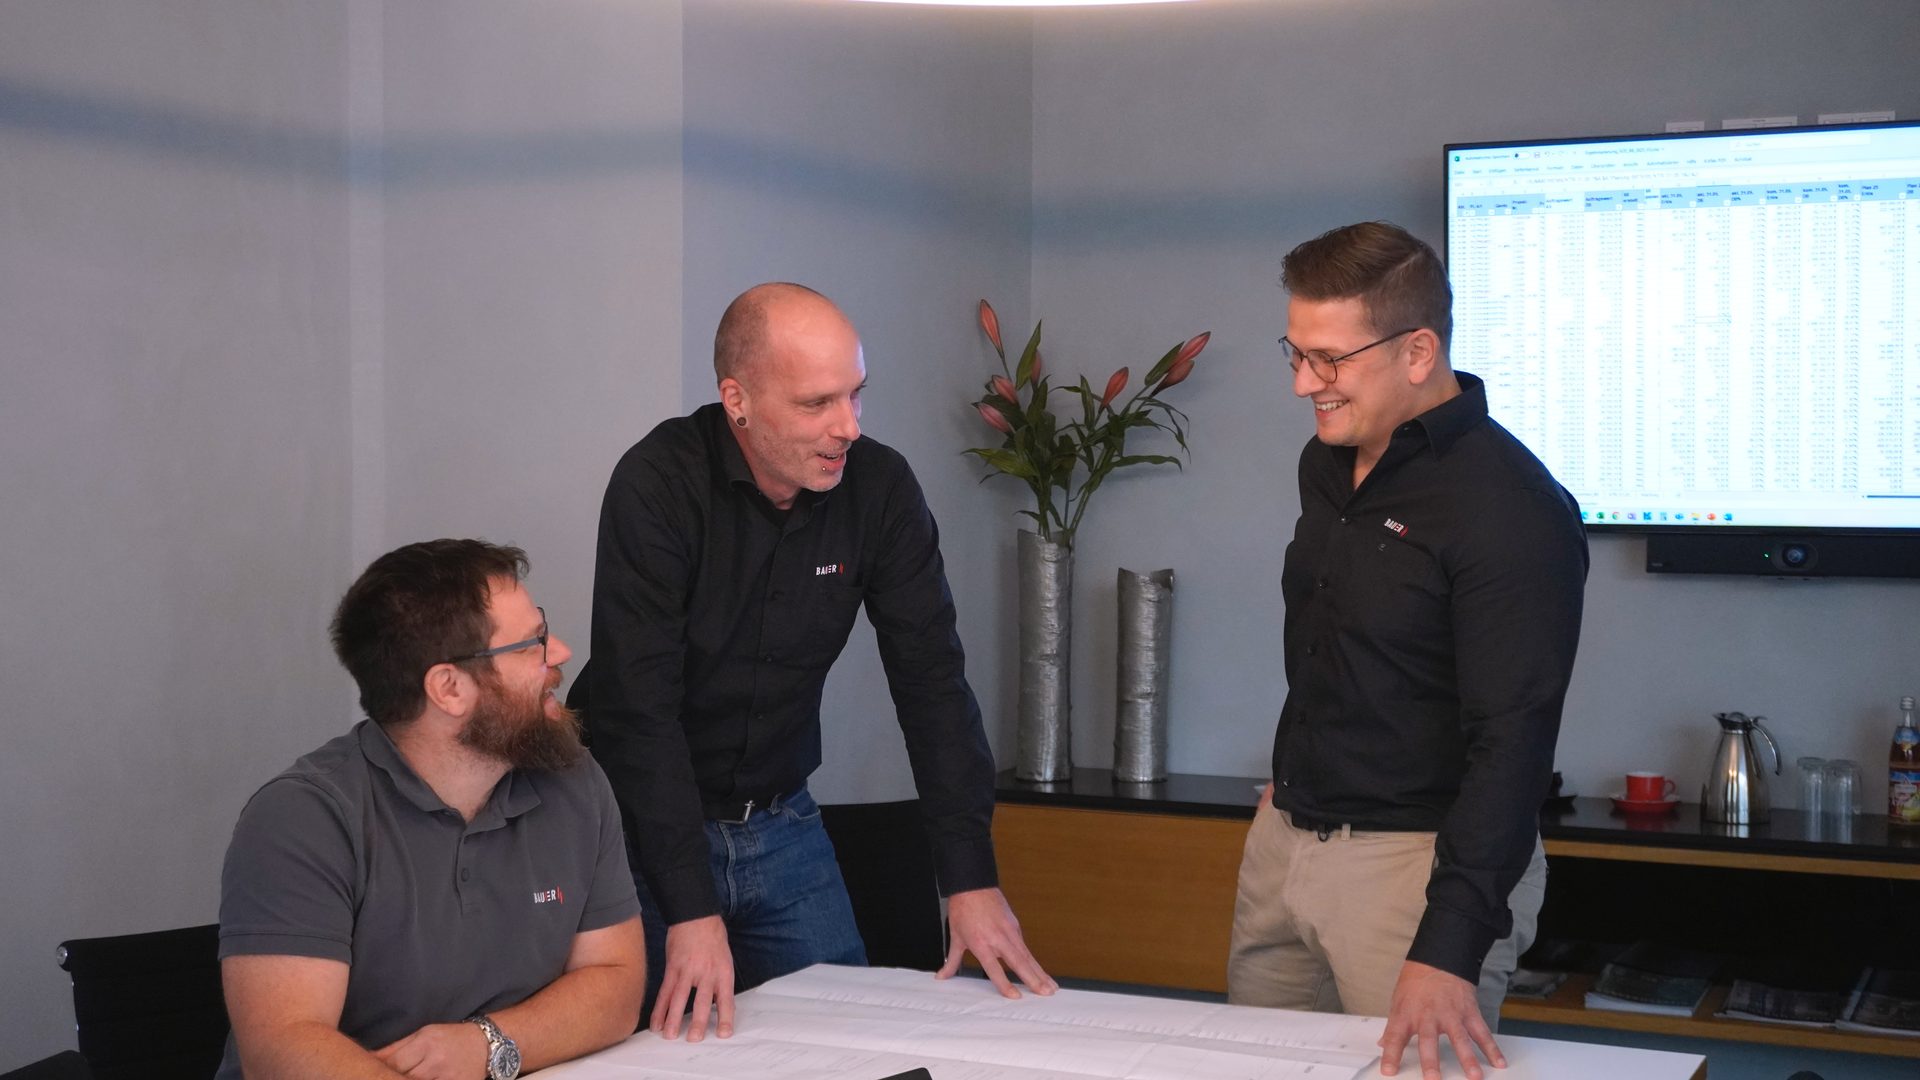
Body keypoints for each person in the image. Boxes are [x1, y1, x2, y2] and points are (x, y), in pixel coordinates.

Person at [586, 281, 1055, 1042]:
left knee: (848, 1046)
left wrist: (968, 877)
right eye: (816, 404)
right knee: (659, 1054)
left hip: (781, 824)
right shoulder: (659, 484)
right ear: (737, 400)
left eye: (855, 394)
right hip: (641, 833)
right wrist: (691, 907)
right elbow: (640, 712)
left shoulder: (880, 487)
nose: (848, 427)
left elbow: (932, 681)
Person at [1228, 222, 1588, 1080]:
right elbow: (1340, 651)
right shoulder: (1328, 463)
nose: (1303, 384)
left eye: (1329, 360)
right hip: (1286, 844)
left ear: (1418, 351)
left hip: (1413, 869)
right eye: (1296, 353)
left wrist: (1450, 945)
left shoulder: (1509, 506)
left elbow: (1514, 742)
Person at [217, 539, 645, 1080]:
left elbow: (616, 983)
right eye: (531, 644)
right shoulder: (302, 819)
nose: (558, 653)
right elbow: (285, 1047)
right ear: (449, 688)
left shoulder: (572, 778)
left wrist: (487, 1045)